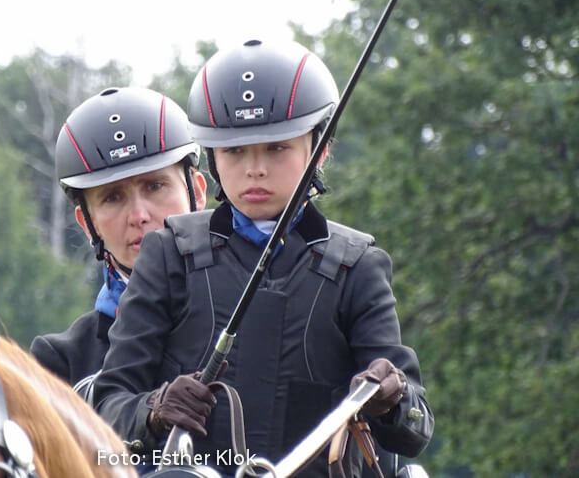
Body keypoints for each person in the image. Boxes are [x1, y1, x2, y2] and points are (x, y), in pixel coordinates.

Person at [92, 40, 434, 477]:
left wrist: (393, 398)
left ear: (319, 149)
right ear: (213, 156)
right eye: (235, 151)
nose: (255, 169)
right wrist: (154, 409)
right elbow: (107, 409)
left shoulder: (359, 267)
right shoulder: (167, 254)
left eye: (276, 148)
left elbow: (416, 429)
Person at [30, 87, 207, 398]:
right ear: (88, 224)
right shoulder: (61, 364)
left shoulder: (259, 303)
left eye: (155, 186)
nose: (138, 216)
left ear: (198, 192)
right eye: (113, 197)